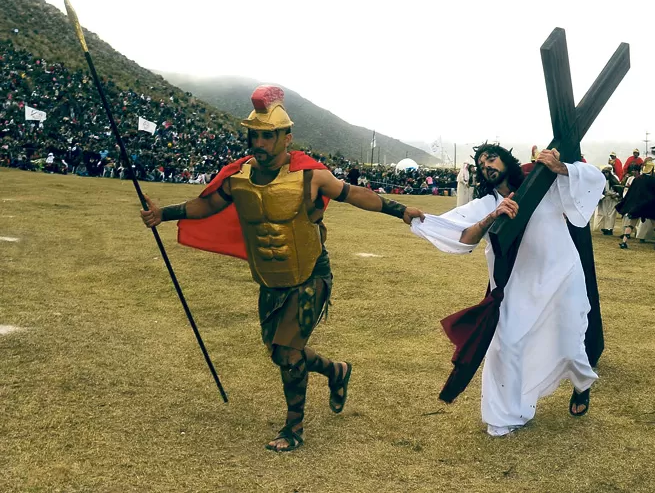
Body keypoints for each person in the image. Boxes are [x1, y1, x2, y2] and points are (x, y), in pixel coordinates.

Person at [139, 86, 424, 452]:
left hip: (310, 275)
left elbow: (353, 193)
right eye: (254, 134)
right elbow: (205, 205)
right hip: (270, 279)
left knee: (288, 353)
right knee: (279, 352)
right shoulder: (237, 177)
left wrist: (400, 210)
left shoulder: (310, 176)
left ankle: (294, 427)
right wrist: (164, 214)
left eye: (268, 135)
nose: (259, 141)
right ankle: (336, 371)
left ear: (286, 138)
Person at [410, 143, 602, 436]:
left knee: (570, 340)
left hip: (561, 273)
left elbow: (592, 179)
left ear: (507, 160)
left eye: (491, 157)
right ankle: (507, 415)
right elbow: (461, 234)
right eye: (480, 162)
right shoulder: (486, 204)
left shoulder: (541, 182)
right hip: (517, 284)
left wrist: (560, 168)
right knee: (507, 344)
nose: (485, 164)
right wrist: (492, 217)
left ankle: (581, 385)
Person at [593, 165, 622, 235]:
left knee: (611, 214)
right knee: (604, 214)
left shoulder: (614, 180)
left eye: (607, 172)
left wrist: (616, 195)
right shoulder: (601, 181)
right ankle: (605, 228)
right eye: (604, 172)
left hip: (612, 200)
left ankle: (609, 228)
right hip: (604, 199)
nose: (606, 174)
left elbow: (619, 190)